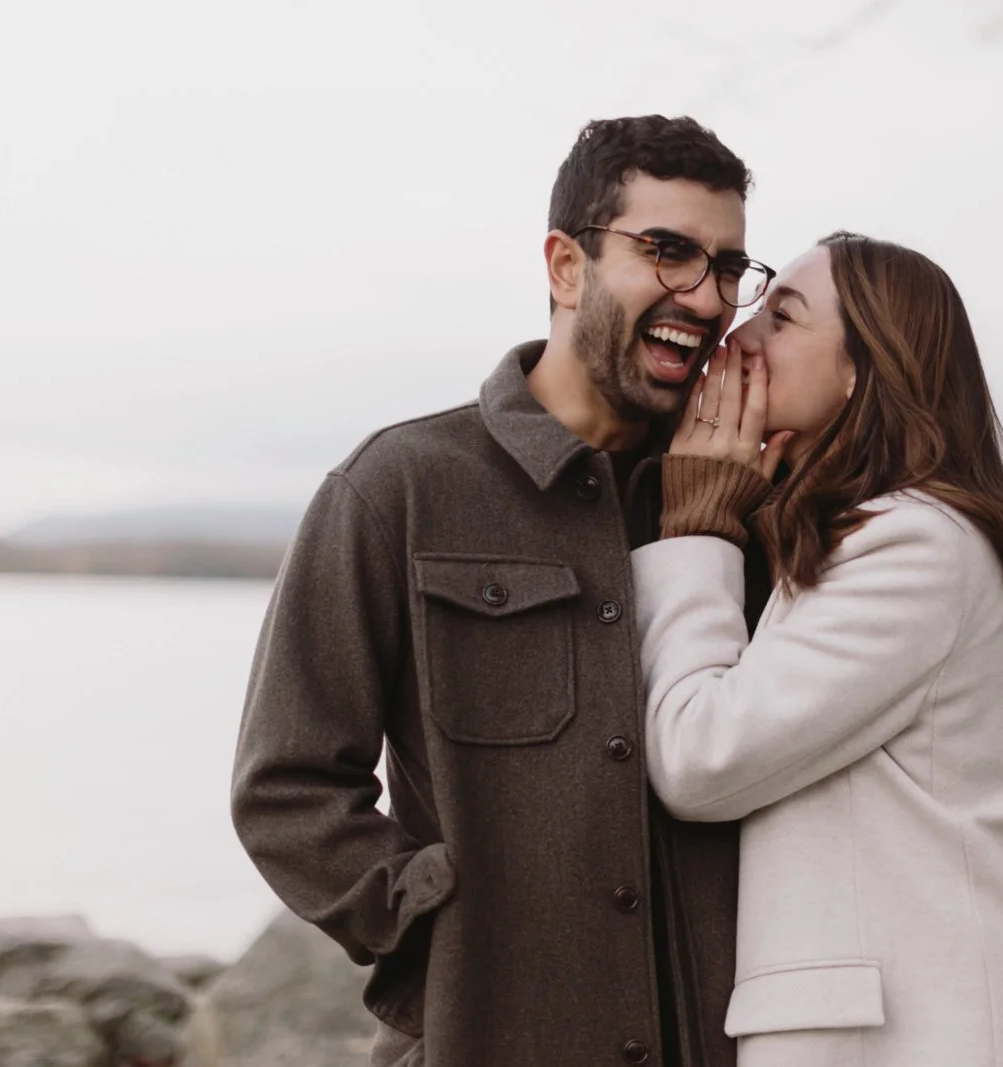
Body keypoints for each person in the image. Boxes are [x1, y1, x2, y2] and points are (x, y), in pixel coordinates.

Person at [230, 115, 778, 1067]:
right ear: (566, 266)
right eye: (666, 252)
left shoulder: (739, 502)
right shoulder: (398, 487)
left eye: (728, 266)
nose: (705, 295)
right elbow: (286, 786)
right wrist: (436, 924)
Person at [631, 232, 1003, 1066]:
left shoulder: (913, 543)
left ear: (862, 370)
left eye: (783, 319)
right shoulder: (856, 536)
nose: (737, 337)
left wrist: (696, 523)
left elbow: (701, 758)